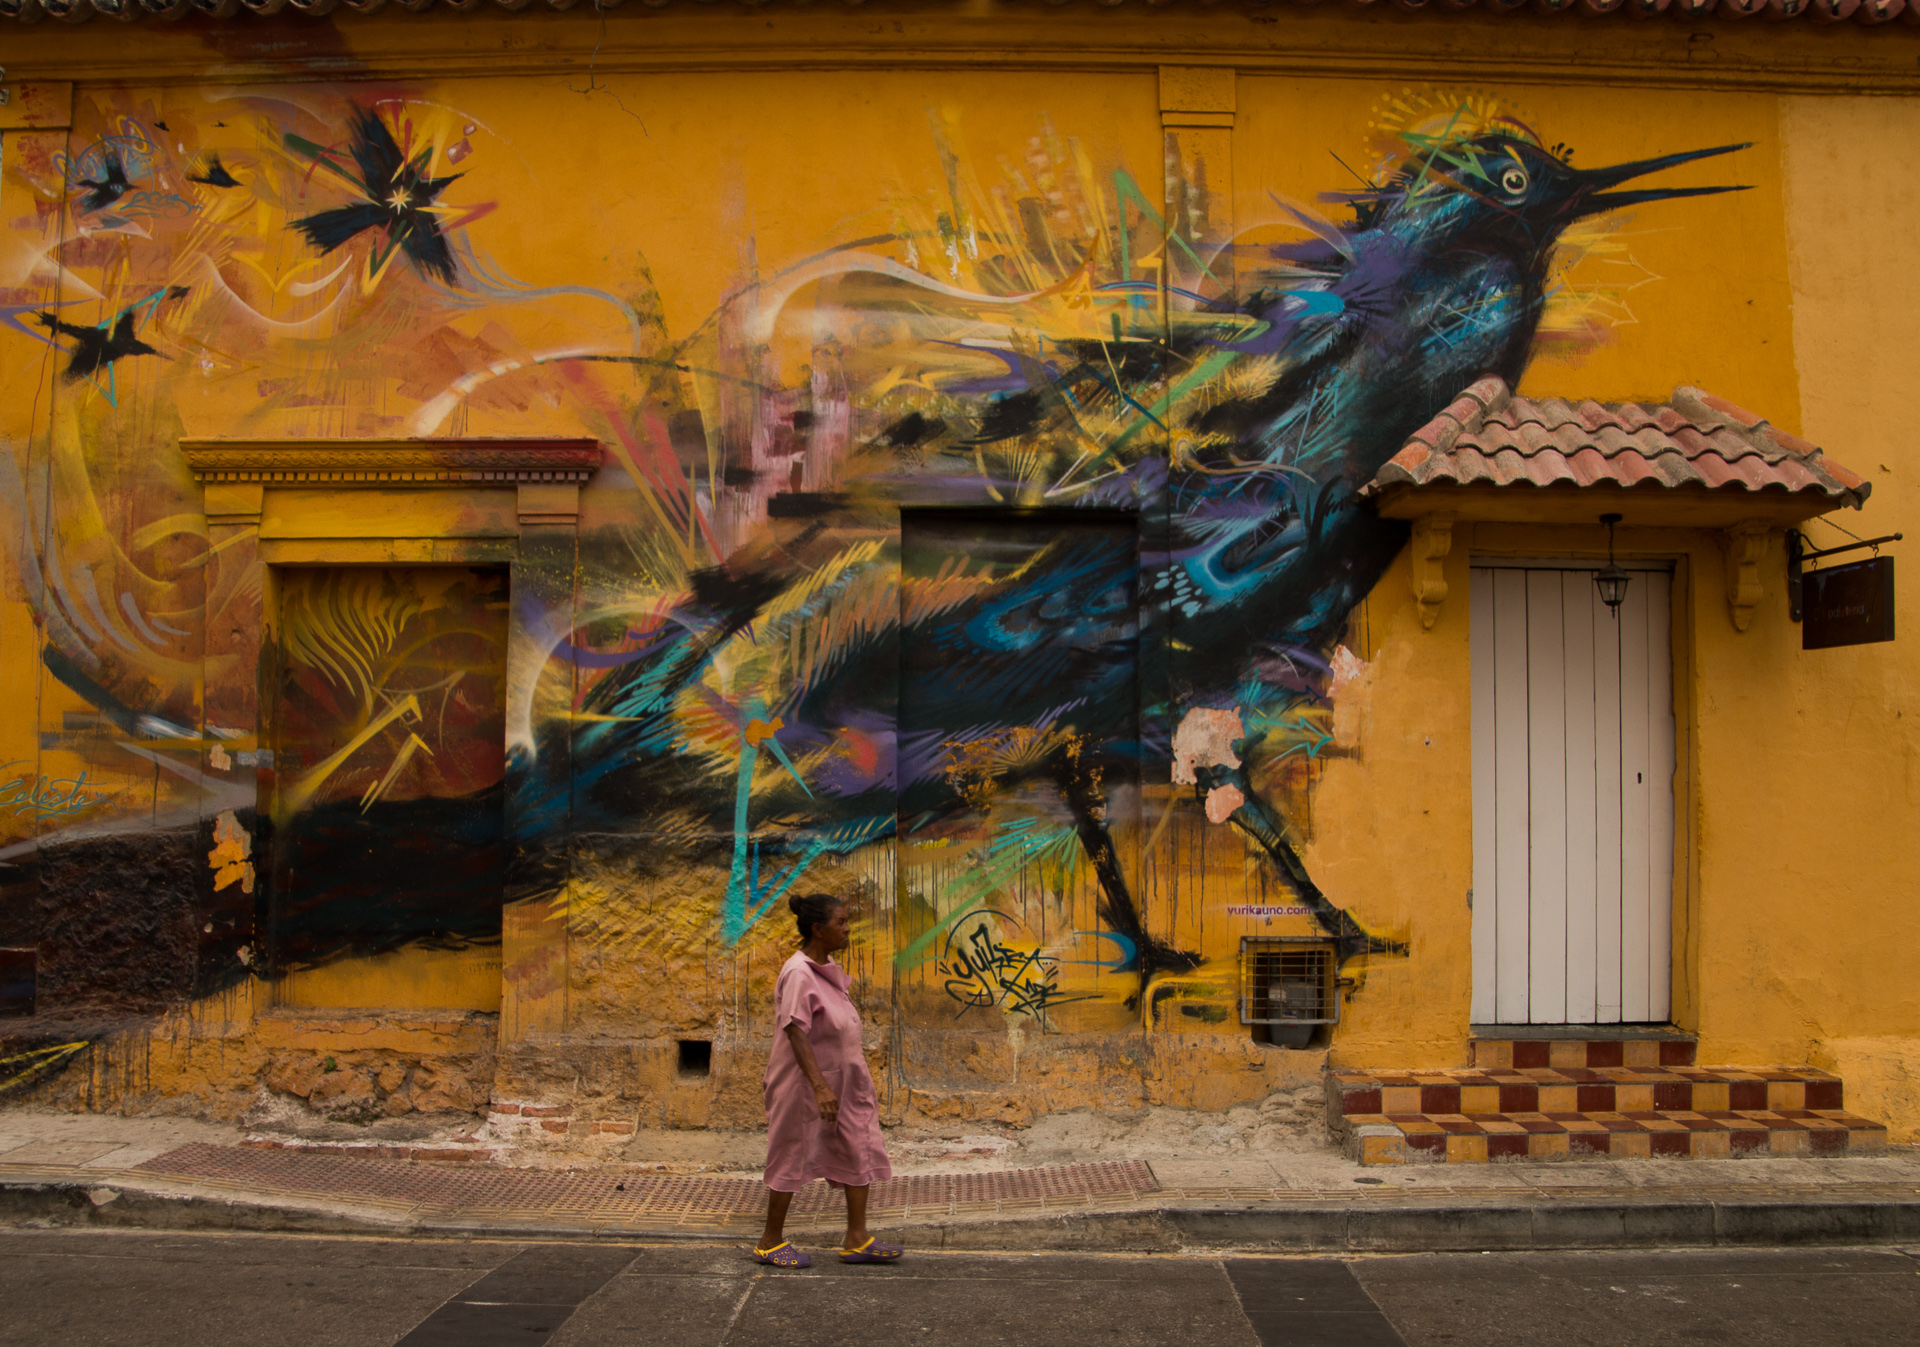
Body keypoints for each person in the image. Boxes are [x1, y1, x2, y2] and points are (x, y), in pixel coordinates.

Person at [753, 892, 902, 1268]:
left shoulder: (826, 968)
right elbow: (794, 1030)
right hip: (805, 1087)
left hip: (846, 1084)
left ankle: (856, 1237)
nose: (848, 928)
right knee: (792, 1153)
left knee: (858, 1145)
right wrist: (820, 1087)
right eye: (841, 922)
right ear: (818, 929)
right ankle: (770, 1242)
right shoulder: (799, 973)